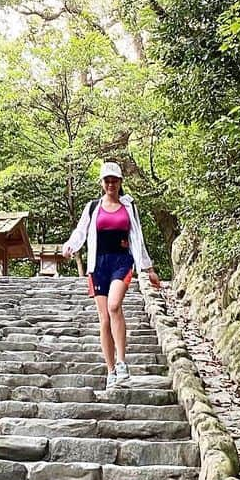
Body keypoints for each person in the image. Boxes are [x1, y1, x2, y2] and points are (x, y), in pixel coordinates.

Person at [62, 161, 162, 387]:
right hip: (98, 265)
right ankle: (110, 371)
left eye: (114, 180)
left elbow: (138, 238)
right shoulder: (93, 207)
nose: (110, 184)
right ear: (102, 183)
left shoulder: (129, 206)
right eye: (107, 180)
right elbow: (81, 231)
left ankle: (122, 362)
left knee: (114, 306)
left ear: (120, 182)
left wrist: (149, 269)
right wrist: (70, 246)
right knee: (104, 319)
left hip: (122, 261)